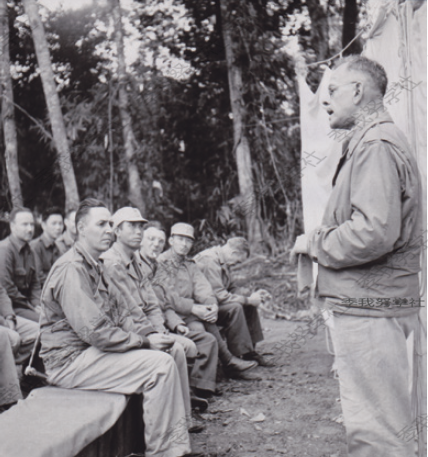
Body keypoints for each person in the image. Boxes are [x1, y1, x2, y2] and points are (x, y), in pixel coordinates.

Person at [291, 56, 422, 457]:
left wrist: (314, 242)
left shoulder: (376, 145)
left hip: (370, 307)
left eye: (333, 90)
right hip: (375, 302)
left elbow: (374, 232)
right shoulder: (372, 141)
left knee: (376, 434)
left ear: (359, 92)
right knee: (384, 424)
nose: (326, 99)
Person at [39, 198, 200, 457]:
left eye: (110, 224)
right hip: (68, 361)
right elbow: (96, 332)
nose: (109, 230)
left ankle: (175, 442)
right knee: (160, 365)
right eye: (101, 224)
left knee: (168, 353)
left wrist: (150, 334)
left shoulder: (95, 264)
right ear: (81, 228)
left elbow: (124, 311)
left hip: (90, 352)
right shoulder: (72, 268)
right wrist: (145, 343)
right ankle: (163, 452)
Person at [101, 207, 206, 425]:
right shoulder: (112, 263)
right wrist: (151, 335)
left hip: (145, 327)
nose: (138, 231)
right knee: (175, 349)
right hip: (125, 332)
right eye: (132, 226)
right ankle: (175, 419)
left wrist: (160, 329)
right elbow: (126, 310)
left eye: (141, 226)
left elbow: (151, 304)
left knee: (177, 346)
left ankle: (182, 417)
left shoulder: (137, 263)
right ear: (117, 231)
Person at [155, 222, 258, 380]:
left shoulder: (190, 265)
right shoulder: (160, 263)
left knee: (204, 321)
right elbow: (168, 298)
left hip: (190, 313)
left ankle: (209, 381)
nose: (184, 244)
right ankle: (213, 374)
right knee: (200, 330)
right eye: (180, 239)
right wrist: (194, 308)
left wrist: (212, 305)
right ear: (171, 240)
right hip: (172, 315)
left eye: (188, 241)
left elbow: (203, 288)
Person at [137, 221, 219, 398]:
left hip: (170, 320)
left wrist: (176, 324)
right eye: (151, 239)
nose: (156, 245)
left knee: (207, 337)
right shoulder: (145, 266)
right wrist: (163, 328)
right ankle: (188, 394)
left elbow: (165, 302)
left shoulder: (157, 267)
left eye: (159, 241)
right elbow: (145, 307)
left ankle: (200, 389)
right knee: (190, 341)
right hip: (146, 327)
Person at [194, 237, 274, 367]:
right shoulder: (209, 261)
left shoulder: (223, 260)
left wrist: (252, 296)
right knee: (235, 307)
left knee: (248, 305)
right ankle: (237, 356)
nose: (236, 264)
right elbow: (219, 295)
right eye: (237, 261)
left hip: (215, 304)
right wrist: (248, 300)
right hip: (204, 307)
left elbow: (231, 287)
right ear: (234, 253)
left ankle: (250, 352)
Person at [0, 207, 41, 322]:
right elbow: (7, 288)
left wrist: (37, 304)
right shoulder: (4, 250)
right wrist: (31, 307)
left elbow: (35, 283)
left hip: (26, 305)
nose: (30, 229)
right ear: (12, 226)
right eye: (25, 225)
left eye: (32, 225)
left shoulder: (29, 251)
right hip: (11, 307)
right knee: (46, 323)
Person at [30, 207, 64, 287]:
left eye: (60, 223)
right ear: (44, 225)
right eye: (54, 223)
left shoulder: (58, 247)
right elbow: (38, 277)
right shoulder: (35, 247)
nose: (58, 228)